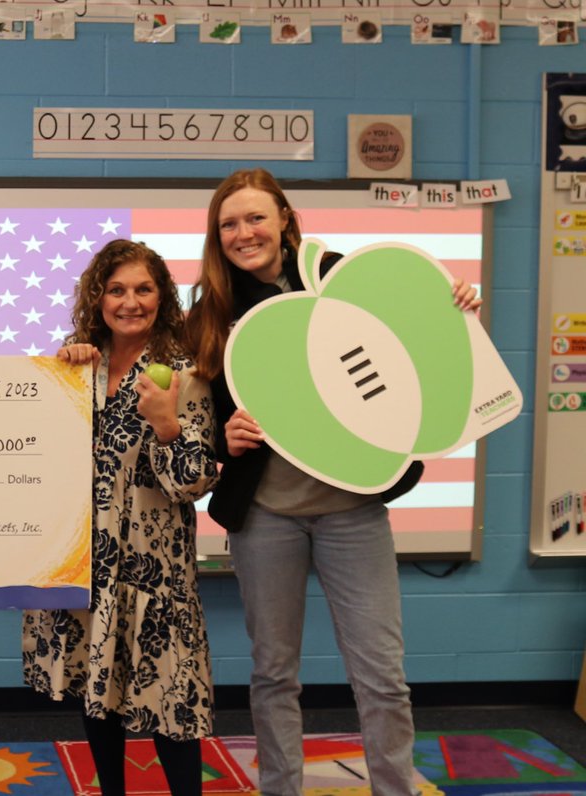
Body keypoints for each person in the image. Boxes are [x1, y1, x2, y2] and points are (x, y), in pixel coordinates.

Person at [181, 168, 481, 796]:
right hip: (265, 514)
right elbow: (198, 424)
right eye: (229, 223)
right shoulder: (211, 311)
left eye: (256, 217)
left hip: (353, 509)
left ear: (285, 218)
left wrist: (454, 308)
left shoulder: (341, 276)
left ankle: (394, 788)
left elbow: (418, 349)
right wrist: (223, 440)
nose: (243, 233)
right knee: (273, 673)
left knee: (381, 674)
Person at [23, 239, 219, 796]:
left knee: (171, 705)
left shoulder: (185, 371)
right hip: (88, 564)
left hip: (155, 574)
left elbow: (194, 480)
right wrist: (61, 377)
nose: (129, 302)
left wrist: (165, 425)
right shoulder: (75, 365)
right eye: (116, 289)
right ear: (98, 296)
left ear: (163, 296)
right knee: (97, 693)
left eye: (143, 288)